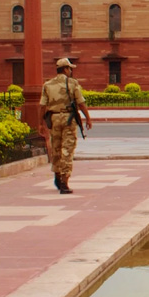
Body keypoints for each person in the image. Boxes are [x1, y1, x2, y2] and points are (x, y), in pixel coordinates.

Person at [40, 57, 93, 194]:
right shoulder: (72, 83)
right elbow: (80, 103)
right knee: (67, 149)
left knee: (56, 148)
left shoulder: (48, 84)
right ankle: (64, 181)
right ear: (65, 69)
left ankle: (57, 176)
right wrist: (88, 118)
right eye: (70, 68)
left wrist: (41, 123)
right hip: (68, 118)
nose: (71, 71)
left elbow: (43, 106)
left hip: (53, 118)